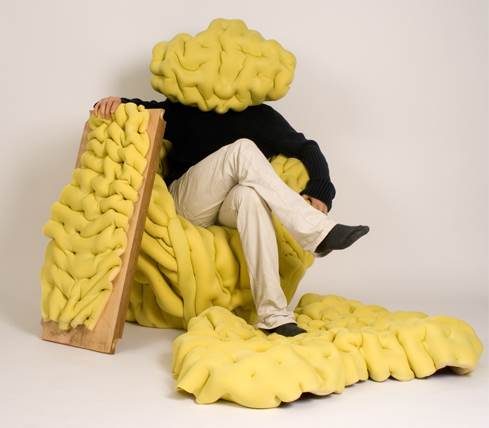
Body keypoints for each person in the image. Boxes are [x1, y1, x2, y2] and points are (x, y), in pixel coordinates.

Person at [91, 96, 370, 337]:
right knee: (243, 150)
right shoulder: (186, 108)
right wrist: (119, 102)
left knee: (249, 196)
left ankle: (273, 316)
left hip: (224, 210)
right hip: (184, 203)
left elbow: (306, 148)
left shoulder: (261, 116)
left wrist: (321, 191)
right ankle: (315, 232)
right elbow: (144, 110)